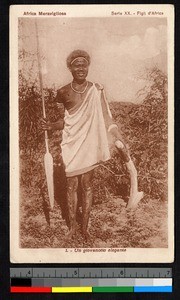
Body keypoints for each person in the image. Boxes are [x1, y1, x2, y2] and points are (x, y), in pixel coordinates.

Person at [42, 49, 143, 240]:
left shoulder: (96, 89)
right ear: (70, 68)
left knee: (87, 185)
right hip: (71, 143)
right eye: (76, 65)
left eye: (84, 64)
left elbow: (106, 116)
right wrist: (50, 126)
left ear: (88, 67)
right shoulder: (62, 92)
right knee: (71, 186)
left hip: (89, 143)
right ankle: (72, 228)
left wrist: (116, 134)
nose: (81, 68)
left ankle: (85, 228)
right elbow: (65, 121)